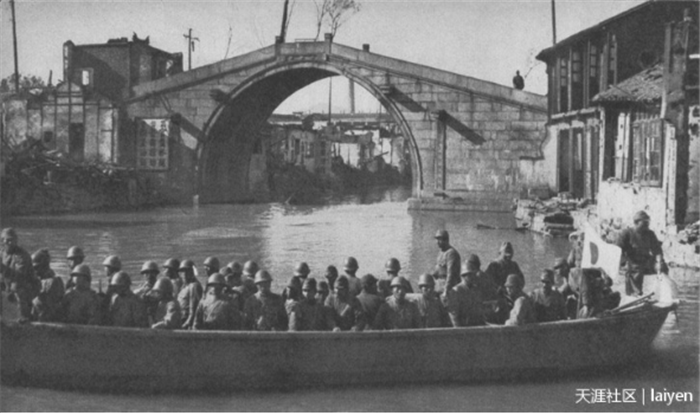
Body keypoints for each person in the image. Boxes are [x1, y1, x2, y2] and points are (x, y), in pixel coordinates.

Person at [616, 210, 667, 296]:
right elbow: (618, 250)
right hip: (632, 262)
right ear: (636, 223)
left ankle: (662, 293)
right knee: (636, 270)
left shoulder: (650, 234)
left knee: (663, 267)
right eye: (644, 223)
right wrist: (623, 262)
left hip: (646, 261)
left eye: (648, 223)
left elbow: (657, 249)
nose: (647, 225)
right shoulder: (626, 233)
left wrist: (659, 261)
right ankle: (635, 293)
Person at [1, 228, 40, 319]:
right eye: (7, 240)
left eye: (12, 240)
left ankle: (22, 317)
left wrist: (2, 268)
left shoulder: (22, 255)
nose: (9, 243)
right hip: (9, 285)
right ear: (2, 241)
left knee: (17, 289)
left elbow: (19, 276)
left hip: (26, 288)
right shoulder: (2, 253)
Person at [30, 249, 65, 322]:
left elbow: (50, 305)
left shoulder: (54, 281)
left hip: (48, 318)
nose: (34, 271)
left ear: (44, 266)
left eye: (36, 268)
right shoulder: (38, 279)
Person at [432, 230, 461, 294]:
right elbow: (436, 272)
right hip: (439, 286)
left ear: (446, 240)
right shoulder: (440, 253)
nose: (437, 242)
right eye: (436, 239)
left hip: (449, 288)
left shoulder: (451, 253)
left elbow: (451, 274)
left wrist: (446, 290)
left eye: (439, 239)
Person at [177, 259, 203, 329]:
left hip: (186, 324)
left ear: (192, 272)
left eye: (187, 271)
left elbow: (193, 312)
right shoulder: (184, 286)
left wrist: (185, 325)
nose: (184, 274)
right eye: (182, 271)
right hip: (181, 321)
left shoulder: (194, 286)